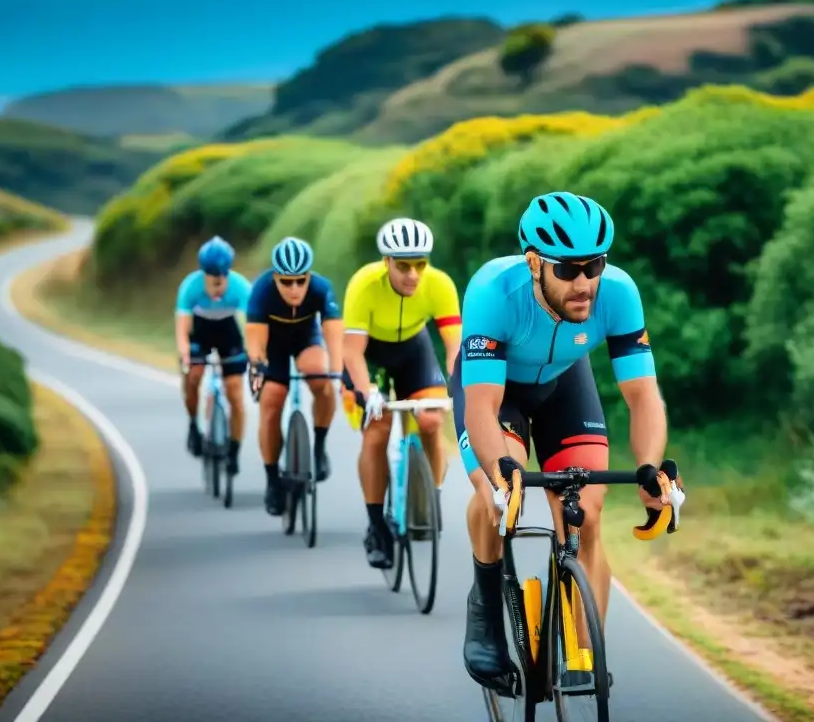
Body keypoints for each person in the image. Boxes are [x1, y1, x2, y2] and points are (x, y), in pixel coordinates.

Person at [450, 191, 672, 689]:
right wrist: (503, 473)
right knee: (495, 495)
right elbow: (482, 407)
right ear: (534, 263)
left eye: (594, 265)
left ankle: (583, 657)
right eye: (569, 269)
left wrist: (649, 468)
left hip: (564, 385)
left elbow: (643, 396)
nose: (584, 283)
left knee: (586, 514)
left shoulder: (619, 292)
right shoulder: (493, 290)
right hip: (495, 390)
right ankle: (485, 607)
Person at [341, 218, 462, 570]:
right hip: (370, 355)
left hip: (413, 350)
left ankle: (428, 499)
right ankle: (376, 527)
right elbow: (352, 353)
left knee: (430, 420)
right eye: (404, 266)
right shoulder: (364, 285)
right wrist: (366, 393)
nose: (413, 274)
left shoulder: (439, 284)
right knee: (377, 432)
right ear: (387, 262)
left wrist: (459, 384)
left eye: (420, 265)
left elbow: (454, 345)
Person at [245, 236, 343, 516]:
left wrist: (338, 372)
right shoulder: (262, 290)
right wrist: (257, 365)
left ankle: (319, 447)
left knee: (321, 378)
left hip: (305, 339)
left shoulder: (321, 288)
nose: (295, 288)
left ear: (309, 276)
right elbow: (256, 341)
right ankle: (272, 479)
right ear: (275, 277)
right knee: (272, 399)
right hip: (272, 344)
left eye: (301, 280)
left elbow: (333, 333)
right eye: (286, 282)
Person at [174, 236, 252, 475]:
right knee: (193, 375)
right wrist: (185, 355)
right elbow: (182, 330)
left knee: (235, 393)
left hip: (229, 331)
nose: (218, 284)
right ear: (203, 274)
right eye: (212, 279)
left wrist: (253, 352)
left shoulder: (241, 286)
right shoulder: (191, 286)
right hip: (201, 330)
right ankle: (193, 424)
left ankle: (234, 451)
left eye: (222, 278)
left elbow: (252, 327)